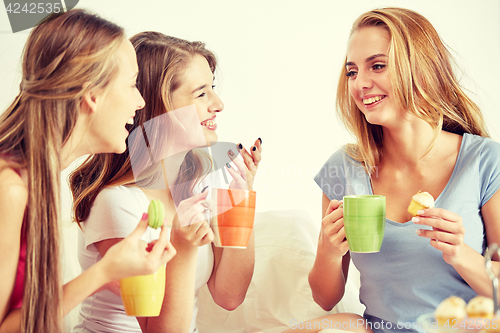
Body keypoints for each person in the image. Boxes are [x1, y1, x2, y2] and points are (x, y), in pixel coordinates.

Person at [309, 7, 500, 333]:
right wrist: (328, 252)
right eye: (352, 71)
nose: (360, 84)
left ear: (422, 69)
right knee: (326, 324)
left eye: (378, 66)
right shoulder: (344, 167)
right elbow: (325, 297)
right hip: (377, 329)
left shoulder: (484, 161)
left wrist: (461, 254)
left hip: (463, 327)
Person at [70, 32, 262, 333]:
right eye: (201, 94)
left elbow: (229, 295)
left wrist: (241, 202)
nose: (218, 104)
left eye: (212, 89)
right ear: (158, 106)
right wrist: (182, 248)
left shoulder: (195, 188)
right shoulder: (117, 202)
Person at [0, 10, 176, 333]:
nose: (140, 102)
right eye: (133, 84)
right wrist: (103, 272)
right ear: (91, 94)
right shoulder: (9, 188)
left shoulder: (40, 176)